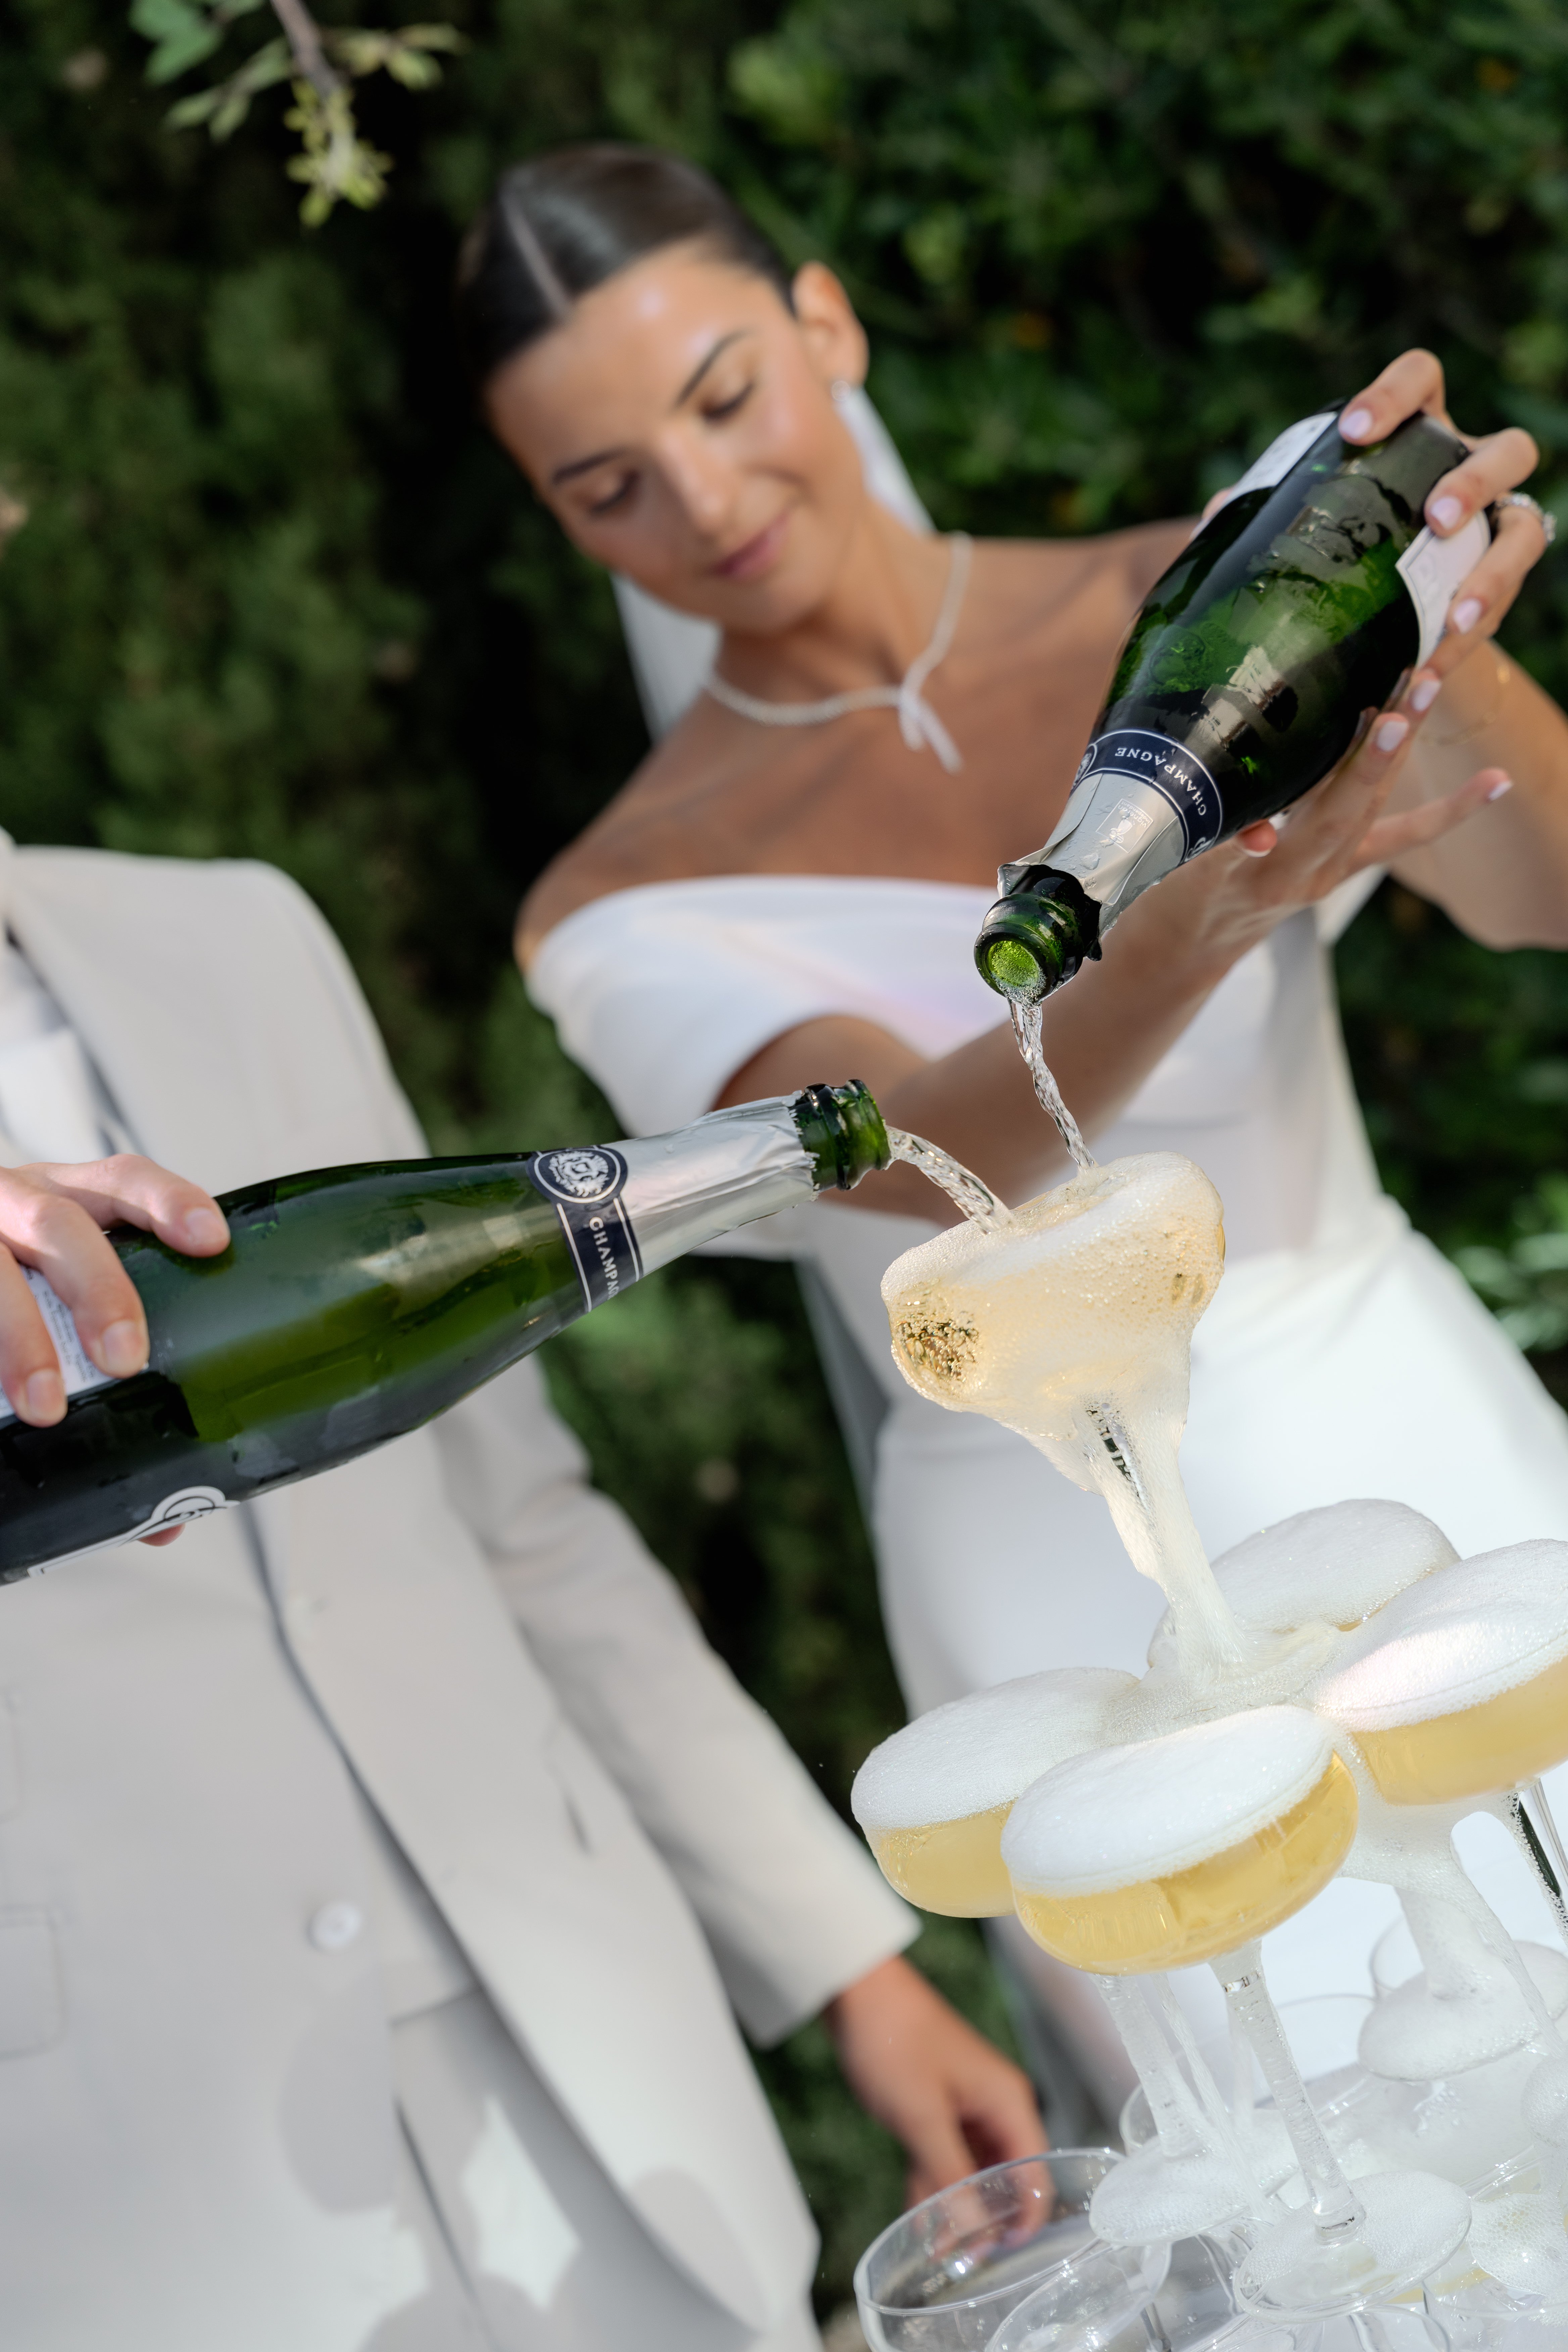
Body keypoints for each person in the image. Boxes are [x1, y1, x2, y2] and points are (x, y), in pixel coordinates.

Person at [463, 145, 1568, 2093]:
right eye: (606, 487)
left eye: (724, 396)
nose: (704, 503)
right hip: (1062, 1573)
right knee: (1330, 2153)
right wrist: (1198, 920)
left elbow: (1536, 898)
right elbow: (904, 1159)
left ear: (826, 320)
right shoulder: (624, 895)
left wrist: (1439, 641)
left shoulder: (1190, 590)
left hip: (1390, 1426)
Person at [0, 831, 1043, 2351]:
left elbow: (514, 1516)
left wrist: (848, 1967)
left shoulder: (239, 931)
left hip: (604, 2077)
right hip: (134, 2190)